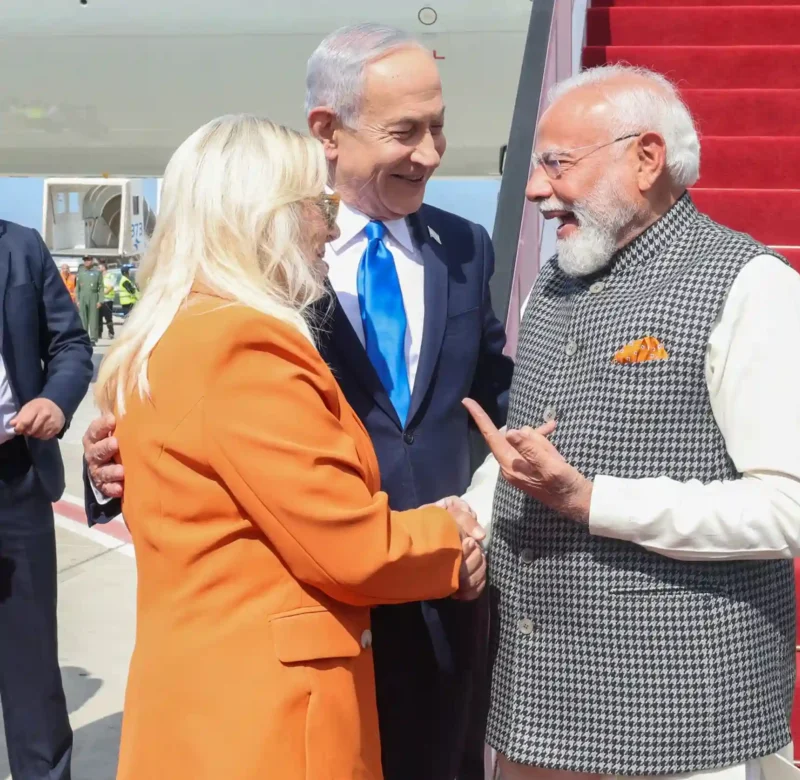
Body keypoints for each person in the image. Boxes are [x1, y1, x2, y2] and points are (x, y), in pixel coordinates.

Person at [82, 23, 514, 780]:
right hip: (303, 658)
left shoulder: (464, 247)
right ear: (328, 134)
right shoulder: (247, 334)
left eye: (438, 129)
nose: (431, 154)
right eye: (405, 131)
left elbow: (486, 390)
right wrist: (454, 538)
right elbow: (349, 547)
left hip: (404, 630)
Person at [461, 64, 800, 779]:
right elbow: (529, 452)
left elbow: (793, 511)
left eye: (557, 164)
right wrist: (471, 511)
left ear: (647, 158)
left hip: (677, 729)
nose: (536, 188)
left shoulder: (753, 285)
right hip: (531, 714)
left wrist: (594, 500)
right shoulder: (554, 281)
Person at [0, 219, 93, 780]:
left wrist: (57, 403)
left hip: (14, 477)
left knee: (31, 661)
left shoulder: (19, 245)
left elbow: (71, 344)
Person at [74, 256, 103, 344]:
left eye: (88, 260)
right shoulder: (80, 273)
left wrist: (100, 300)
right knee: (83, 318)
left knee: (93, 318)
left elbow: (101, 287)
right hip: (82, 296)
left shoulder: (97, 273)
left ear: (92, 261)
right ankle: (84, 337)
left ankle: (93, 338)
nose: (87, 262)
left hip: (93, 296)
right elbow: (77, 288)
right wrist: (77, 300)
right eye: (85, 260)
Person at [99, 265, 118, 339]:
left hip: (107, 300)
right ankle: (99, 333)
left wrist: (104, 293)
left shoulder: (110, 276)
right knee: (98, 318)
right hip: (99, 300)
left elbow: (111, 286)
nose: (98, 269)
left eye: (99, 267)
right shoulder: (99, 277)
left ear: (104, 268)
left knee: (108, 318)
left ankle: (111, 332)